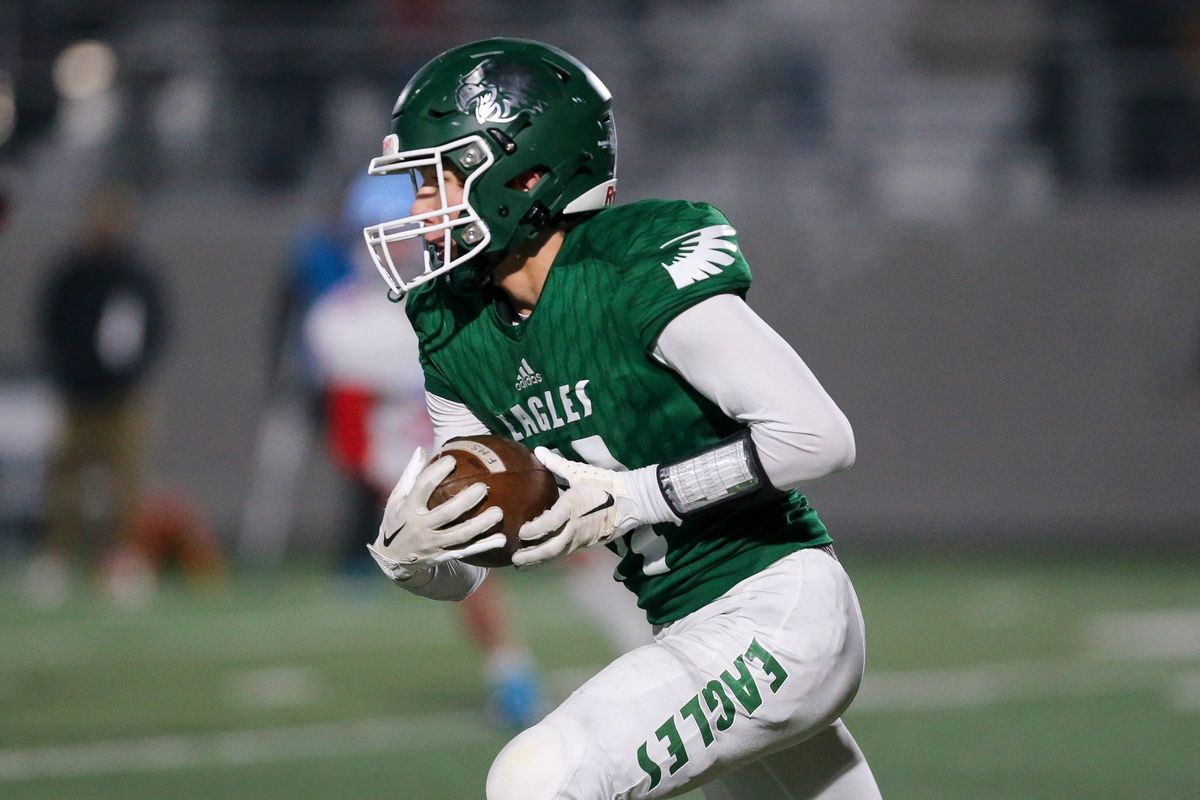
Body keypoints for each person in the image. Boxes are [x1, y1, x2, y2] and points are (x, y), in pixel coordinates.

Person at [361, 38, 881, 799]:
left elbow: (817, 437)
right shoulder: (455, 324)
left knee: (537, 779)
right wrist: (415, 559)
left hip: (779, 607)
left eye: (436, 178)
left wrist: (630, 499)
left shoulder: (632, 266)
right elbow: (474, 556)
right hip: (688, 628)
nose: (417, 210)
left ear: (525, 173)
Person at [304, 172, 547, 729]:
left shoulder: (469, 294)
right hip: (423, 457)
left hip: (501, 433)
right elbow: (355, 427)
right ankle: (512, 674)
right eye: (394, 232)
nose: (410, 244)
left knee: (590, 536)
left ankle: (629, 643)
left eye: (413, 231)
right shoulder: (344, 321)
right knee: (466, 566)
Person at [30, 182, 168, 606]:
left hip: (123, 396)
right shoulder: (72, 273)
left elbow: (157, 328)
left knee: (124, 481)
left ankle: (121, 559)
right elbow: (50, 325)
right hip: (76, 393)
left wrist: (134, 373)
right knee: (64, 478)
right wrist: (67, 371)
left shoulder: (136, 274)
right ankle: (55, 556)